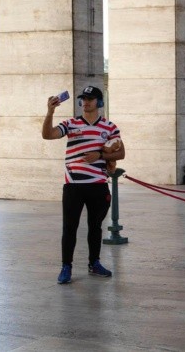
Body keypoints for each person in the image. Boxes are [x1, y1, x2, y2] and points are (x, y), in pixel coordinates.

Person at [42, 85, 125, 284]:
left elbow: (121, 153)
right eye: (83, 99)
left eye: (90, 98)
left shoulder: (109, 127)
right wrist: (50, 112)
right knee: (69, 227)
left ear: (99, 102)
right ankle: (66, 267)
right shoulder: (70, 124)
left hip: (98, 184)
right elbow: (48, 135)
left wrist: (100, 155)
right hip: (73, 185)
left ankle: (94, 263)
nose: (85, 102)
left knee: (95, 227)